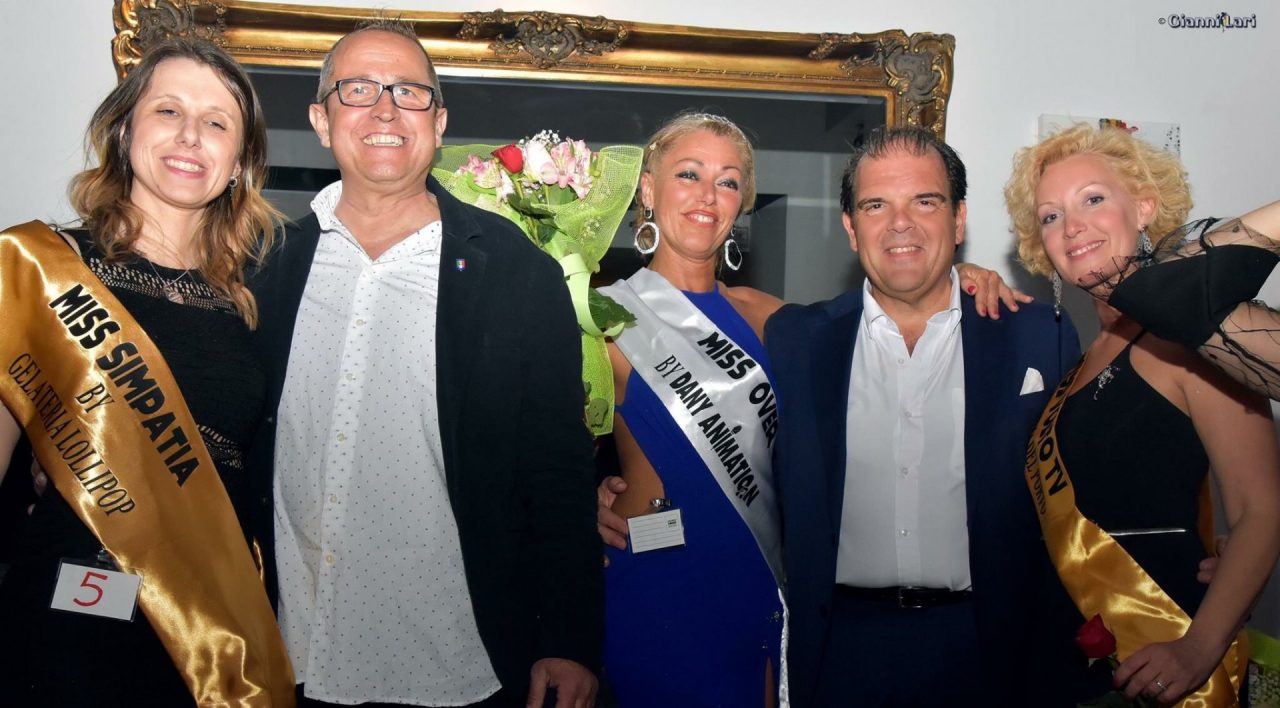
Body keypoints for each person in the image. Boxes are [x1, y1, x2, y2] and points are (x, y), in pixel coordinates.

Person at [594, 119, 1031, 707]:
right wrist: (580, 505)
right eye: (688, 175)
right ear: (648, 189)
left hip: (757, 581)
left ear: (742, 203)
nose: (707, 196)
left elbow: (887, 306)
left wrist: (965, 276)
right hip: (656, 579)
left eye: (728, 181)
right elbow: (531, 457)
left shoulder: (776, 320)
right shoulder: (602, 318)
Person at [244, 18, 601, 708]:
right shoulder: (262, 268)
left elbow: (558, 471)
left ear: (438, 123)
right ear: (321, 120)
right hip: (291, 656)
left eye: (409, 92)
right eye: (358, 89)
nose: (385, 109)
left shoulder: (517, 274)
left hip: (460, 667)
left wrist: (569, 637)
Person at [0, 38, 293, 706]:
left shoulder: (253, 301)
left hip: (208, 628)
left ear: (239, 162)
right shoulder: (39, 269)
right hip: (70, 612)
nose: (190, 135)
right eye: (168, 110)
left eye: (217, 122)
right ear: (125, 129)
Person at [764, 127, 1080, 707]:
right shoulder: (795, 342)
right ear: (850, 228)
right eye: (876, 205)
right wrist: (613, 492)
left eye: (925, 201)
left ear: (959, 221)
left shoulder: (1040, 336)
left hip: (991, 652)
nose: (900, 224)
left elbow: (1088, 487)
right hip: (840, 654)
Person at [1005, 123, 1280, 706]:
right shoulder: (1079, 361)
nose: (1071, 226)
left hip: (1166, 651)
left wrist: (1199, 648)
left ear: (1145, 207)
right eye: (1051, 216)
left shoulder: (1194, 341)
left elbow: (1261, 510)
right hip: (1063, 659)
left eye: (1092, 199)